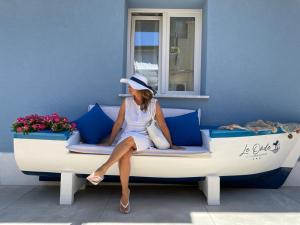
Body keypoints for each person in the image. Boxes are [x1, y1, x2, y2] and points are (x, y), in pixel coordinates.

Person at [86, 73, 185, 214]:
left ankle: (102, 170)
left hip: (144, 137)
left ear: (138, 88)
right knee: (125, 154)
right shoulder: (126, 102)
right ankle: (125, 193)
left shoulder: (154, 104)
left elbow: (162, 125)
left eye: (131, 86)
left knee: (129, 141)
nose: (128, 88)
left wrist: (171, 144)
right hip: (127, 135)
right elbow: (119, 122)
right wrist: (109, 142)